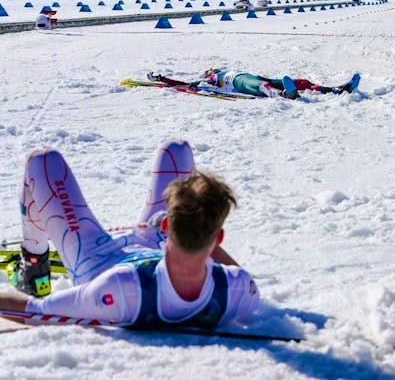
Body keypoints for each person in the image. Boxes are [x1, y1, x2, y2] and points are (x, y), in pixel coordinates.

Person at [1, 141, 259, 331]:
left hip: (96, 257)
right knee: (177, 149)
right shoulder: (238, 289)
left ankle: (34, 267)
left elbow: (33, 311)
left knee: (43, 160)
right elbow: (234, 273)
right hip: (154, 242)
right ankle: (181, 229)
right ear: (219, 239)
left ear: (168, 224)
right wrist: (194, 231)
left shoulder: (121, 288)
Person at [150, 70, 360, 98]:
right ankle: (284, 95)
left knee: (303, 81)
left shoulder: (220, 71)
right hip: (240, 83)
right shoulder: (209, 79)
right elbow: (185, 84)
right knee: (261, 86)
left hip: (254, 77)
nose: (210, 70)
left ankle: (336, 89)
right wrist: (163, 80)